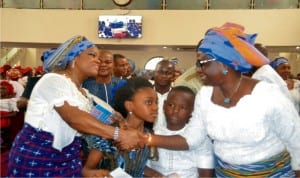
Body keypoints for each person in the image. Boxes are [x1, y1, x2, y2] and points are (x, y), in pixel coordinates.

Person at [7, 35, 144, 177]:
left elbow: (101, 117)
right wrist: (119, 135)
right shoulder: (53, 80)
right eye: (92, 55)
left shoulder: (83, 93)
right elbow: (74, 117)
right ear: (73, 58)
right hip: (39, 157)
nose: (98, 60)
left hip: (69, 158)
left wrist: (122, 125)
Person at [193, 23, 300, 177]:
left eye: (202, 63)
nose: (197, 69)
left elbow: (296, 141)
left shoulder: (267, 95)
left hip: (272, 173)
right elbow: (196, 137)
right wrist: (152, 139)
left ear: (224, 63)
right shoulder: (204, 95)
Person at [82, 77, 158, 177]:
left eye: (157, 102)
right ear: (129, 106)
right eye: (149, 102)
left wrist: (153, 174)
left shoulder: (148, 134)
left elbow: (135, 166)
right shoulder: (110, 133)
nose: (155, 107)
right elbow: (86, 170)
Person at [145, 86, 214, 178]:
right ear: (164, 105)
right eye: (171, 105)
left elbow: (206, 174)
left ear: (192, 111)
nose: (175, 111)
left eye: (183, 107)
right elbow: (143, 166)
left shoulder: (201, 138)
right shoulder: (154, 134)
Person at [153, 59, 175, 130]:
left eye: (168, 73)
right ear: (154, 73)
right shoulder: (144, 95)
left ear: (173, 76)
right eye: (160, 72)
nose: (163, 76)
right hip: (147, 136)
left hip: (171, 137)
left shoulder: (177, 97)